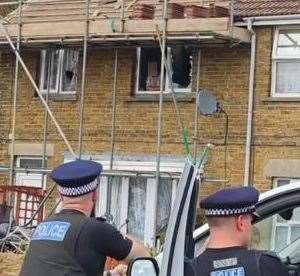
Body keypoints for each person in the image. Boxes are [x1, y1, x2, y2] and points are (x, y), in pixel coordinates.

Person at [20, 160, 150, 276]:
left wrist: (111, 274)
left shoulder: (43, 226)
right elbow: (143, 256)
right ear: (94, 195)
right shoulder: (95, 229)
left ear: (61, 196)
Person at [191, 186, 289, 276]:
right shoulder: (267, 265)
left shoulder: (189, 270)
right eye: (250, 222)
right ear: (241, 222)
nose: (251, 227)